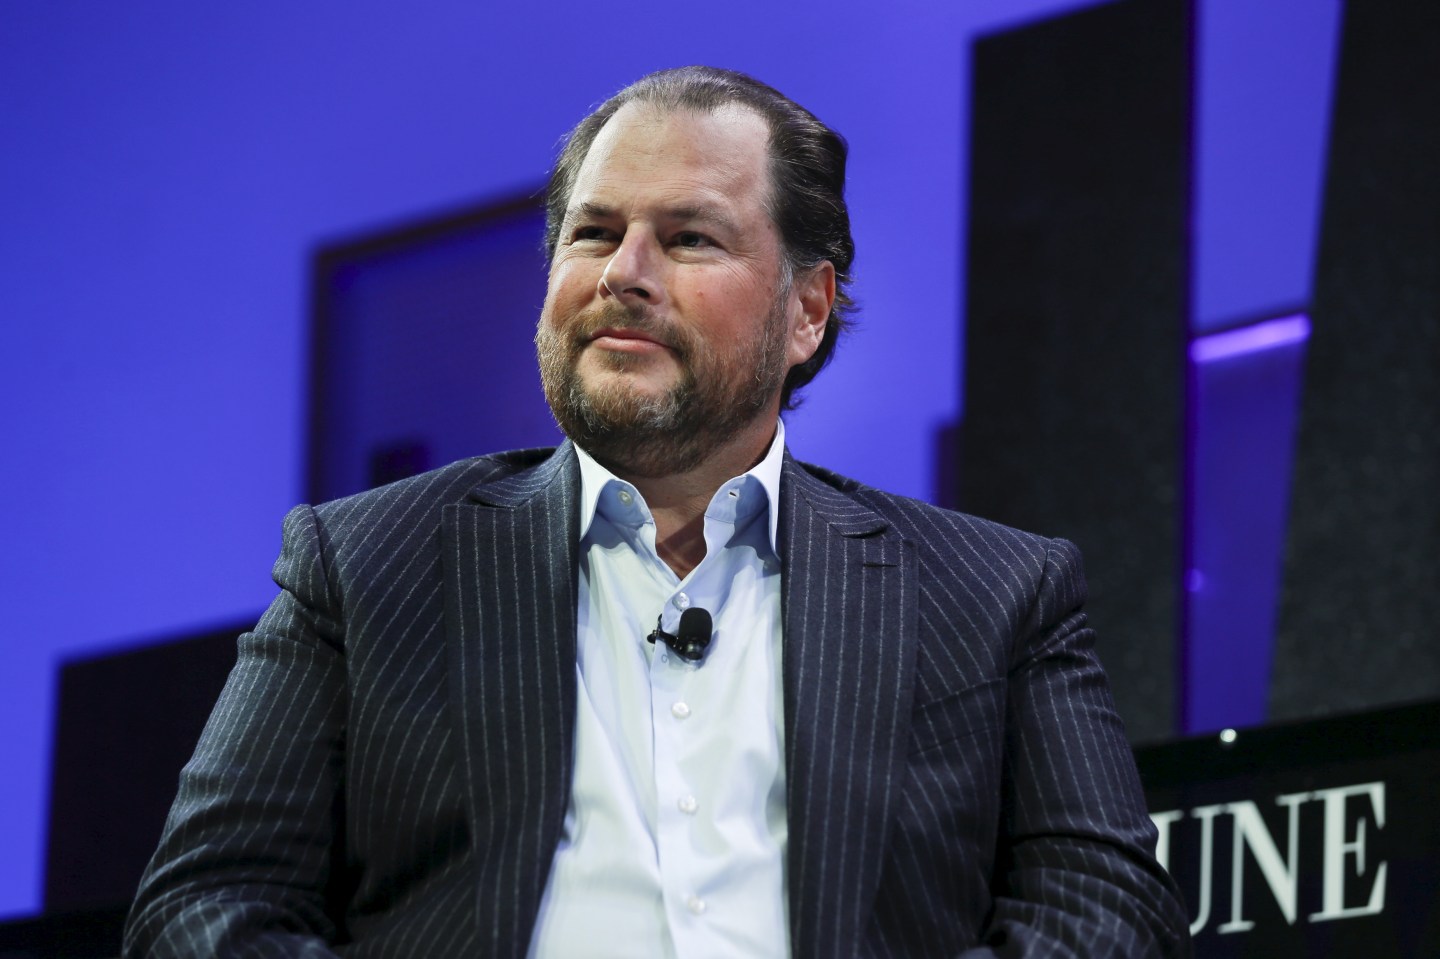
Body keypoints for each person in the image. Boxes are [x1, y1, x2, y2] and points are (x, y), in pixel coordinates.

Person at [124, 66, 1190, 958]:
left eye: (687, 239)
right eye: (593, 233)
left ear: (806, 309)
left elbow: (1105, 908)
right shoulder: (364, 566)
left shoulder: (997, 593)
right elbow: (203, 908)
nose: (622, 275)